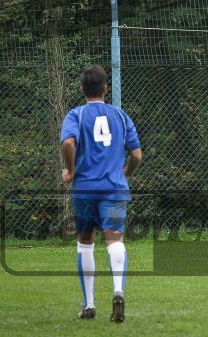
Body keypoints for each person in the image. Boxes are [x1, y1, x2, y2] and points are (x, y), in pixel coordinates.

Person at [60, 64, 142, 322]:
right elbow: (136, 154)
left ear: (82, 89)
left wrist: (70, 170)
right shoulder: (120, 116)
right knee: (115, 240)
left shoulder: (76, 115)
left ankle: (89, 305)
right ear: (106, 89)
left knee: (85, 242)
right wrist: (125, 173)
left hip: (85, 189)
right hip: (114, 189)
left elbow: (68, 142)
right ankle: (118, 290)